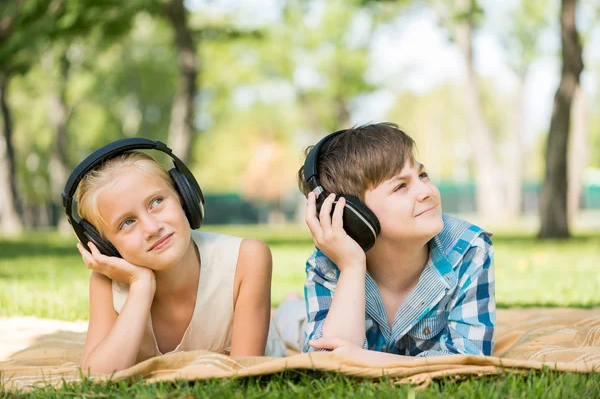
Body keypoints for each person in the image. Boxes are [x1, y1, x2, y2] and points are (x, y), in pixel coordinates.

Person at [62, 138, 285, 374]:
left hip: (276, 337)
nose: (151, 228)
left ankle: (289, 307)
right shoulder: (106, 282)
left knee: (292, 322)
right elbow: (96, 376)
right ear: (104, 244)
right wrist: (141, 285)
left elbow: (242, 373)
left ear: (183, 196)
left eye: (156, 201)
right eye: (127, 222)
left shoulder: (247, 258)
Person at [297, 123, 495, 364]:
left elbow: (469, 361)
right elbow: (329, 362)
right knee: (293, 325)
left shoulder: (468, 248)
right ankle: (292, 307)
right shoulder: (327, 263)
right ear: (355, 215)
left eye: (422, 175)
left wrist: (365, 359)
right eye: (401, 186)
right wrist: (351, 266)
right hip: (302, 322)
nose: (426, 191)